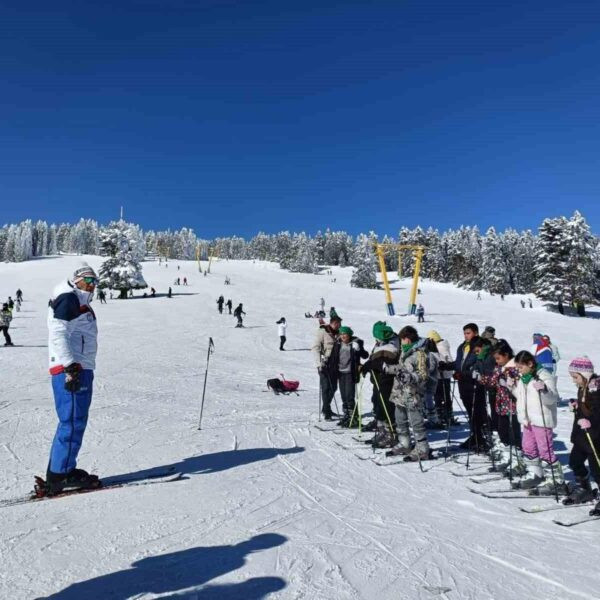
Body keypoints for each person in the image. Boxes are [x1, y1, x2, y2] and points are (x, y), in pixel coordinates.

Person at [45, 263, 100, 495]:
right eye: (86, 281)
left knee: (73, 419)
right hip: (73, 368)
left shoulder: (79, 301)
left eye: (94, 282)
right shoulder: (69, 297)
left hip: (79, 367)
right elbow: (58, 331)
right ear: (76, 280)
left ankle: (59, 470)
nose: (90, 286)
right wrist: (70, 365)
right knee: (72, 420)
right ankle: (61, 474)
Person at [511, 350, 565, 495]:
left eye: (520, 367)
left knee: (545, 450)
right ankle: (535, 473)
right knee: (527, 447)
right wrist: (511, 387)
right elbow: (521, 396)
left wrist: (544, 390)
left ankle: (556, 481)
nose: (519, 370)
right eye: (517, 368)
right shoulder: (524, 378)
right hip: (528, 419)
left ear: (530, 364)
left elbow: (553, 399)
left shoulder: (544, 375)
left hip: (542, 419)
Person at [383, 326, 433, 461]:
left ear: (408, 339)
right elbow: (402, 368)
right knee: (399, 418)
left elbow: (423, 375)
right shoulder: (405, 351)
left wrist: (411, 377)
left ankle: (422, 448)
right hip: (399, 392)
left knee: (416, 421)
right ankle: (405, 443)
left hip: (413, 393)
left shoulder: (420, 354)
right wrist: (390, 369)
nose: (401, 342)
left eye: (402, 339)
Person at [478, 340, 524, 475]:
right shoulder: (500, 367)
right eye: (495, 359)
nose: (497, 361)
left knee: (513, 433)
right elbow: (493, 380)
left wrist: (508, 385)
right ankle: (508, 457)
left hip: (512, 406)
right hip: (501, 406)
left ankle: (517, 461)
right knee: (502, 433)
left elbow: (519, 388)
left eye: (498, 358)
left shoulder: (515, 368)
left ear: (506, 354)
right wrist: (482, 378)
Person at [562, 357, 600, 510]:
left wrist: (591, 422)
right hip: (582, 436)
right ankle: (585, 489)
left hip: (595, 436)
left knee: (596, 469)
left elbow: (597, 412)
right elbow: (585, 408)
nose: (574, 381)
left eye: (575, 377)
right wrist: (577, 407)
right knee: (574, 461)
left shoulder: (596, 389)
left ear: (585, 375)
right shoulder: (583, 387)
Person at [360, 321, 400, 447]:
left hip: (387, 381)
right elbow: (374, 359)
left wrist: (371, 365)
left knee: (387, 407)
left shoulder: (393, 344)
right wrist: (366, 366)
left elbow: (383, 361)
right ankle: (382, 431)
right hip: (378, 380)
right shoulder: (381, 343)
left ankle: (392, 434)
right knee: (378, 406)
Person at [327, 326, 368, 427]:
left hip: (350, 373)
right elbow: (333, 358)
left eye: (345, 334)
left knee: (349, 396)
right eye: (341, 334)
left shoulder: (356, 343)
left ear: (349, 335)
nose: (343, 336)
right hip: (340, 373)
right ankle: (347, 416)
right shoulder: (338, 344)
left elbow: (365, 355)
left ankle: (353, 417)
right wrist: (327, 364)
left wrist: (358, 349)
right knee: (343, 396)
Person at [454, 323, 482, 450]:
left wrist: (465, 373)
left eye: (468, 333)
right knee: (469, 410)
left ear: (475, 333)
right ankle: (474, 435)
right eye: (465, 333)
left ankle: (481, 436)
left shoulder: (479, 346)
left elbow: (479, 364)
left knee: (477, 410)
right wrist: (449, 366)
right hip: (463, 382)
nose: (466, 336)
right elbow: (459, 363)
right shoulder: (462, 347)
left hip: (474, 383)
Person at [312, 315, 342, 420]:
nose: (339, 326)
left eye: (340, 324)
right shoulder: (323, 332)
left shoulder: (339, 333)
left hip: (335, 364)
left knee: (333, 387)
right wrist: (319, 364)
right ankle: (327, 411)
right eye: (337, 324)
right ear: (332, 323)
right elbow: (315, 348)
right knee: (325, 387)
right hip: (324, 364)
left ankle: (326, 407)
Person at [470, 337, 497, 448]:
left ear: (482, 347)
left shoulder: (490, 355)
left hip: (496, 389)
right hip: (488, 388)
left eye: (477, 350)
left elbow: (492, 372)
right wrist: (474, 370)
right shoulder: (481, 356)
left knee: (497, 414)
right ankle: (495, 440)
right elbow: (476, 366)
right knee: (493, 412)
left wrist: (484, 377)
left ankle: (499, 440)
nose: (476, 353)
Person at [427, 331, 454, 427]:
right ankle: (445, 414)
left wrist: (441, 365)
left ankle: (444, 414)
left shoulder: (441, 346)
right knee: (442, 395)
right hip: (442, 375)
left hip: (442, 375)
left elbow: (445, 359)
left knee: (441, 395)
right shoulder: (441, 345)